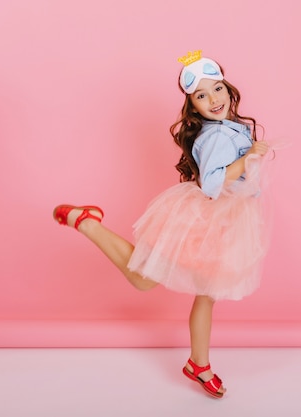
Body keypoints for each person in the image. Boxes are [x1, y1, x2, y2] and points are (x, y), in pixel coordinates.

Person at [53, 50, 273, 399]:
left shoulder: (229, 127)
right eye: (201, 95)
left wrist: (250, 159)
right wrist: (249, 158)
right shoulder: (215, 136)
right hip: (205, 218)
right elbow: (211, 184)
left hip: (226, 220)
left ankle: (198, 364)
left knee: (209, 292)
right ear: (192, 105)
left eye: (217, 89)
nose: (213, 99)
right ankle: (87, 222)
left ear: (229, 89)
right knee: (144, 280)